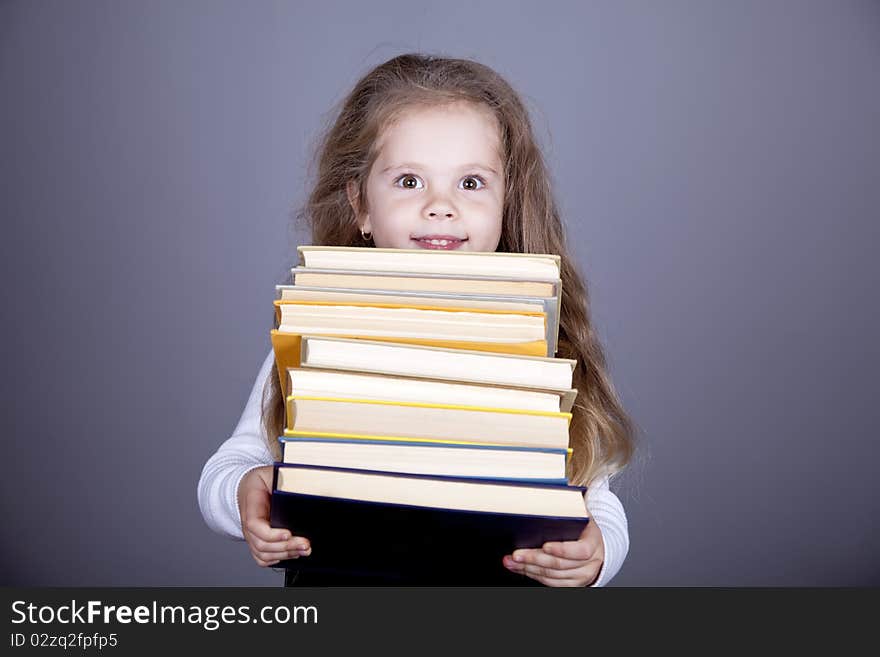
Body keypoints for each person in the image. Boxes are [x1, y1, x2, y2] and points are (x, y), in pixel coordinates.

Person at [198, 53, 636, 587]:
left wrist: (597, 555)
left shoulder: (542, 342)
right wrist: (248, 490)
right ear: (360, 203)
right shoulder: (317, 336)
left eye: (471, 183)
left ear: (507, 202)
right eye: (409, 181)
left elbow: (599, 498)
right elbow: (229, 467)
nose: (440, 206)